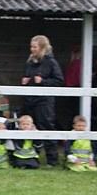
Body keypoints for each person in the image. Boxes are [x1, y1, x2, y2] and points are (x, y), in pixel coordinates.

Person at [20, 35, 64, 166]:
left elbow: (59, 81)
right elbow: (28, 76)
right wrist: (25, 81)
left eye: (34, 47)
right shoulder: (30, 62)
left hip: (44, 100)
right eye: (31, 46)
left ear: (42, 48)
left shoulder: (51, 62)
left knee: (46, 126)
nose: (32, 49)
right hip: (29, 99)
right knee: (27, 127)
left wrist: (43, 82)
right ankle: (27, 157)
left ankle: (52, 160)